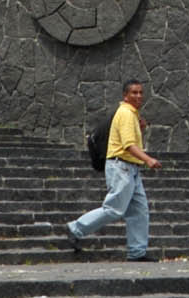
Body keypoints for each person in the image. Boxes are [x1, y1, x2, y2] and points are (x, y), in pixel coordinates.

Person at [66, 80, 161, 262]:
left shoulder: (132, 114)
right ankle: (76, 228)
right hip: (122, 167)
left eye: (141, 92)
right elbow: (128, 145)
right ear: (125, 95)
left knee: (139, 211)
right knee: (113, 209)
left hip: (131, 168)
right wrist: (148, 159)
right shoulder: (126, 113)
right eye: (134, 93)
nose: (139, 96)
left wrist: (139, 129)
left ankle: (137, 252)